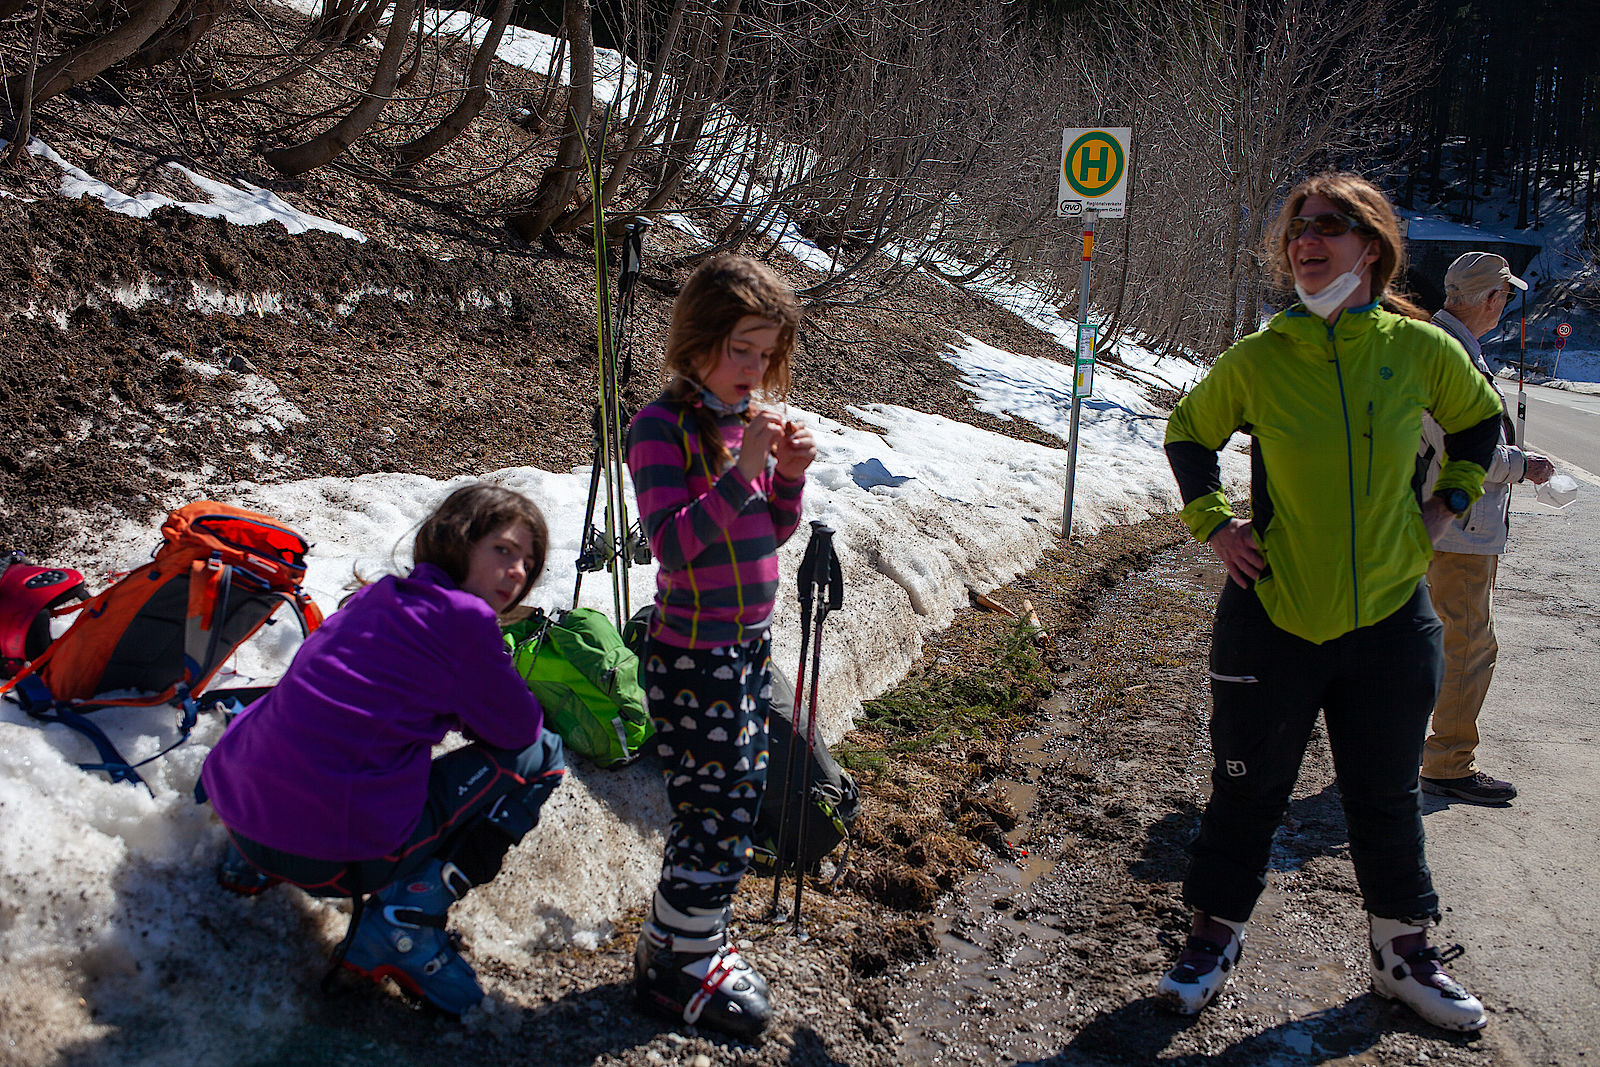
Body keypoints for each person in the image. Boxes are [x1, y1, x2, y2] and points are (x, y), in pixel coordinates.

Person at [1158, 172, 1507, 1032]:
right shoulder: (1260, 356)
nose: (1307, 240)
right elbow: (1187, 433)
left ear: (1374, 248)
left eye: (1330, 226)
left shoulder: (1420, 349)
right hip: (1272, 611)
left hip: (1391, 616)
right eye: (1298, 228)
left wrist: (1443, 508)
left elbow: (1477, 424)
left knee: (1384, 795)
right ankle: (1212, 938)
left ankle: (1404, 955)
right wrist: (1214, 524)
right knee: (1245, 788)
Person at [199, 483, 566, 1017]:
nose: (516, 571)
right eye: (504, 550)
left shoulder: (376, 596)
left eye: (527, 562)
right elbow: (518, 729)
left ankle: (249, 867)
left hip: (241, 812)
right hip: (333, 855)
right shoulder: (464, 621)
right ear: (457, 541)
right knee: (542, 756)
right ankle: (404, 923)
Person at [624, 253, 816, 1038]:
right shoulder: (658, 427)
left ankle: (688, 933)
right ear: (698, 340)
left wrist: (788, 479)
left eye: (767, 353)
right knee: (717, 802)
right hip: (691, 651)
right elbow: (674, 546)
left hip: (745, 646)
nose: (757, 368)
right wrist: (744, 471)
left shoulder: (743, 427)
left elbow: (766, 530)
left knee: (737, 795)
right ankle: (677, 959)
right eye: (742, 349)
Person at [1418, 252, 1554, 804]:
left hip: (1441, 522)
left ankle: (1406, 751)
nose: (1504, 307)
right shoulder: (1451, 354)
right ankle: (1448, 763)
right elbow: (1467, 450)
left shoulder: (1440, 345)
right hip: (1457, 529)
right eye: (1503, 296)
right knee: (1468, 647)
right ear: (1490, 299)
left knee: (1429, 643)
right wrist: (1523, 466)